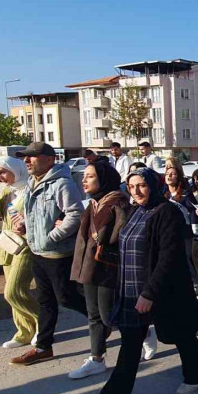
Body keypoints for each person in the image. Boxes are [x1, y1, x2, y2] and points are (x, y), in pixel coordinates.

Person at [81, 168, 198, 394]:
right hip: (130, 289)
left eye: (141, 185)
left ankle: (196, 372)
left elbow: (168, 257)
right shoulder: (134, 211)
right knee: (130, 345)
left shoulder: (168, 212)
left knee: (179, 333)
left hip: (159, 290)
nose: (136, 191)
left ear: (153, 185)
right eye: (131, 186)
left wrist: (149, 293)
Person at [9, 142, 86, 366]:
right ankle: (43, 347)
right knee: (45, 301)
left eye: (32, 156)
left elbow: (75, 214)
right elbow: (36, 215)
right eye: (25, 157)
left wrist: (51, 237)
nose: (27, 161)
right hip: (38, 252)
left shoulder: (62, 183)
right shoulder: (33, 183)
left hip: (58, 255)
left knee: (67, 297)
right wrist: (24, 225)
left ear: (50, 159)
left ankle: (106, 320)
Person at [69, 161, 130, 379]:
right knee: (94, 315)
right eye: (84, 176)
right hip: (89, 265)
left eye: (90, 176)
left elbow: (118, 236)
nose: (84, 180)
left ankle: (141, 334)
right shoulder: (93, 203)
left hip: (107, 268)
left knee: (108, 315)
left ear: (103, 179)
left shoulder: (117, 203)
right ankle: (96, 358)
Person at [0, 156, 39, 350]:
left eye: (3, 172)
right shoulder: (7, 191)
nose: (0, 177)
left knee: (13, 291)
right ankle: (24, 332)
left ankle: (43, 323)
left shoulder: (31, 189)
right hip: (7, 245)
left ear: (16, 169)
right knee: (12, 291)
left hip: (26, 246)